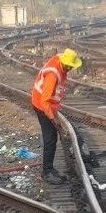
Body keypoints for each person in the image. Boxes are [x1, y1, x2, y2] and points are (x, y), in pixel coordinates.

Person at [31, 48, 82, 185]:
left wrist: (55, 115)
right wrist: (54, 119)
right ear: (64, 63)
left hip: (46, 104)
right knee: (50, 139)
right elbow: (45, 100)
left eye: (71, 66)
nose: (70, 69)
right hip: (42, 106)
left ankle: (49, 168)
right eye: (68, 66)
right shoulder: (53, 75)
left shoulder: (60, 62)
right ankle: (47, 172)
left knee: (52, 138)